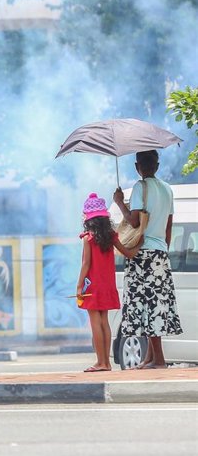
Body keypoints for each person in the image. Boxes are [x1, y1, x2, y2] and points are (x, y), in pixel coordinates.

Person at [113, 150, 183, 369]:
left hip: (143, 254)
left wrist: (119, 203)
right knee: (157, 304)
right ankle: (150, 358)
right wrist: (163, 249)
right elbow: (169, 224)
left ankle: (159, 359)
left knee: (147, 305)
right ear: (158, 165)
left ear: (137, 166)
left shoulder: (139, 187)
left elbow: (134, 222)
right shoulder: (167, 189)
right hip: (161, 254)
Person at [76, 193, 142, 372]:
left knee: (95, 323)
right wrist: (140, 242)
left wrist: (79, 286)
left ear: (89, 219)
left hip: (92, 285)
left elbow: (86, 264)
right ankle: (107, 363)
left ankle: (100, 362)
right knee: (104, 321)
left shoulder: (88, 238)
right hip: (108, 285)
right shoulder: (112, 236)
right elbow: (129, 254)